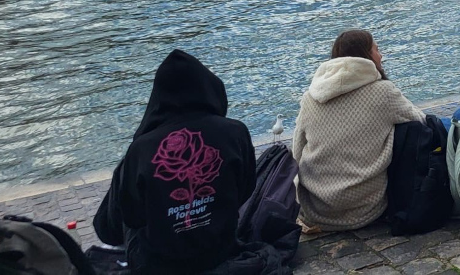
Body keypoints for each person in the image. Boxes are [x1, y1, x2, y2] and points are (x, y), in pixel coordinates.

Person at [93, 50, 256, 274]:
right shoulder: (236, 133)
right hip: (220, 251)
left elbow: (130, 216)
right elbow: (246, 189)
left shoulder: (141, 148)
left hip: (157, 265)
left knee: (123, 192)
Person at [292, 30, 424, 232]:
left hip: (316, 209)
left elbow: (297, 150)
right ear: (366, 55)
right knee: (408, 128)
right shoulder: (383, 91)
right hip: (365, 208)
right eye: (377, 49)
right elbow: (420, 120)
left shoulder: (310, 97)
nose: (381, 55)